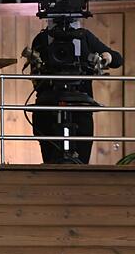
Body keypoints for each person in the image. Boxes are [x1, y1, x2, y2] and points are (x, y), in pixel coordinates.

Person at [31, 18, 123, 164]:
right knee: (50, 167)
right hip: (49, 109)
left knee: (81, 166)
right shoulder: (41, 39)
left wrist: (107, 57)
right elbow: (36, 77)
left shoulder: (84, 36)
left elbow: (118, 60)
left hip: (79, 109)